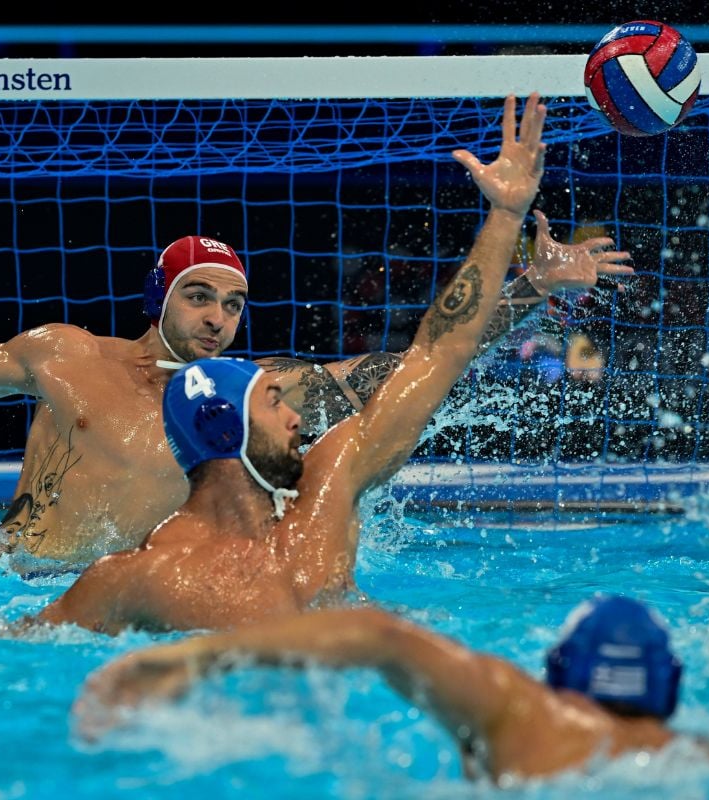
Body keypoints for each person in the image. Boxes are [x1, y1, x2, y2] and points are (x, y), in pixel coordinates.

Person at [0, 94, 629, 568]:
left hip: (112, 595)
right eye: (200, 297)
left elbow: (414, 365)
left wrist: (527, 289)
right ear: (160, 297)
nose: (219, 318)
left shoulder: (249, 398)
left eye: (233, 304)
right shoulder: (65, 354)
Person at [31, 94, 624, 633]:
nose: (298, 418)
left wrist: (507, 222)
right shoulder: (138, 579)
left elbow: (433, 355)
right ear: (226, 430)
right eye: (273, 403)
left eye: (232, 304)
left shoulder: (322, 495)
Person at [76, 597, 709, 784]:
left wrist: (190, 659)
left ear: (561, 671)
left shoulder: (525, 712)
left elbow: (380, 634)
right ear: (670, 685)